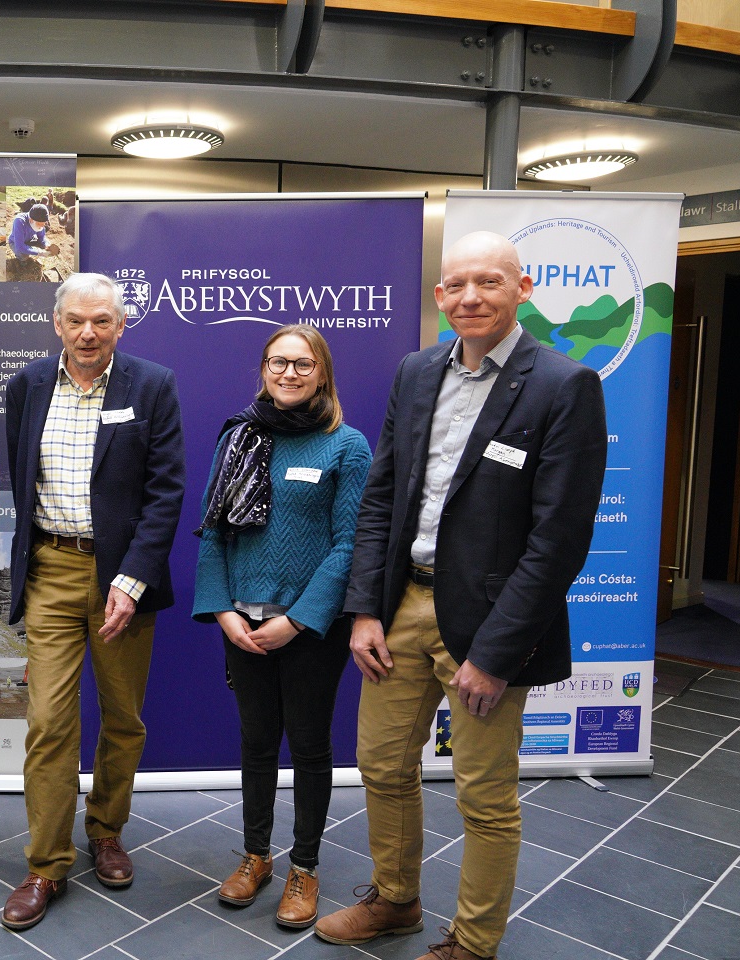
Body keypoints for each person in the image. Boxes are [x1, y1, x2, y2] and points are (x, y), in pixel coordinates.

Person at [313, 232, 608, 960]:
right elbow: (381, 496)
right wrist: (365, 610)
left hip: (491, 625)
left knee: (484, 796)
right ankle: (396, 900)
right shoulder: (417, 371)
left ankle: (473, 944)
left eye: (489, 282)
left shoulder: (563, 385)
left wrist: (497, 654)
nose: (471, 297)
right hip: (401, 606)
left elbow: (559, 538)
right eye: (456, 285)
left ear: (522, 288)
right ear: (439, 296)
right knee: (381, 764)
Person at [0, 272, 185, 931]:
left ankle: (106, 828)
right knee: (49, 720)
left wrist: (130, 581)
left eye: (101, 321)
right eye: (76, 321)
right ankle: (46, 864)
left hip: (123, 580)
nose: (88, 333)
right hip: (51, 567)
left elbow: (166, 494)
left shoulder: (151, 385)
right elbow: (17, 477)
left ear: (120, 326)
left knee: (123, 716)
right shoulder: (26, 386)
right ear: (57, 324)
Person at [192, 325, 372, 929]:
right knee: (256, 741)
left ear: (322, 372)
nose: (288, 373)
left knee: (311, 746)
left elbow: (348, 545)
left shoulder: (346, 446)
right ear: (262, 369)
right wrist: (222, 610)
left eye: (302, 364)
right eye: (277, 362)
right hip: (241, 621)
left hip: (310, 629)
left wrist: (297, 620)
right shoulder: (239, 436)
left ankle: (306, 867)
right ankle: (256, 856)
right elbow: (213, 529)